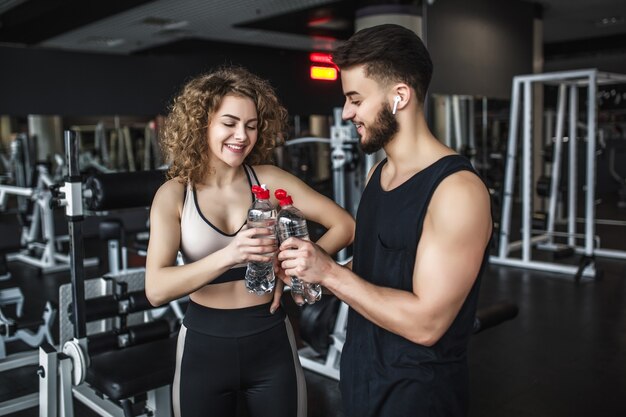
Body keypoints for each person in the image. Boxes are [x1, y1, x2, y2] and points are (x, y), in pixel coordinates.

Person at [277, 24, 493, 417]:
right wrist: (316, 276)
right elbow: (380, 264)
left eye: (355, 99)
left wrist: (329, 274)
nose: (346, 113)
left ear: (399, 96)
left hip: (418, 394)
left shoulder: (456, 191)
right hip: (362, 376)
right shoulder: (379, 174)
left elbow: (428, 324)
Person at [145, 66, 355, 417]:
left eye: (252, 125)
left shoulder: (269, 181)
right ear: (202, 123)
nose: (241, 135)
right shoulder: (175, 194)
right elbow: (155, 289)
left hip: (270, 337)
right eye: (229, 123)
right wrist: (230, 255)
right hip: (203, 345)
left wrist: (292, 266)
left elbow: (345, 224)